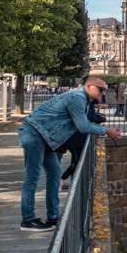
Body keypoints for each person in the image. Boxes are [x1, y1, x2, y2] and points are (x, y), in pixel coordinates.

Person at [18, 76, 121, 231]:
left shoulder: (84, 101)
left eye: (104, 89)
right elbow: (83, 126)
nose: (103, 92)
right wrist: (106, 131)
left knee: (55, 172)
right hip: (34, 133)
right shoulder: (77, 98)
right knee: (32, 176)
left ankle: (53, 217)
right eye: (100, 89)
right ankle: (27, 219)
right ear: (89, 86)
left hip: (44, 136)